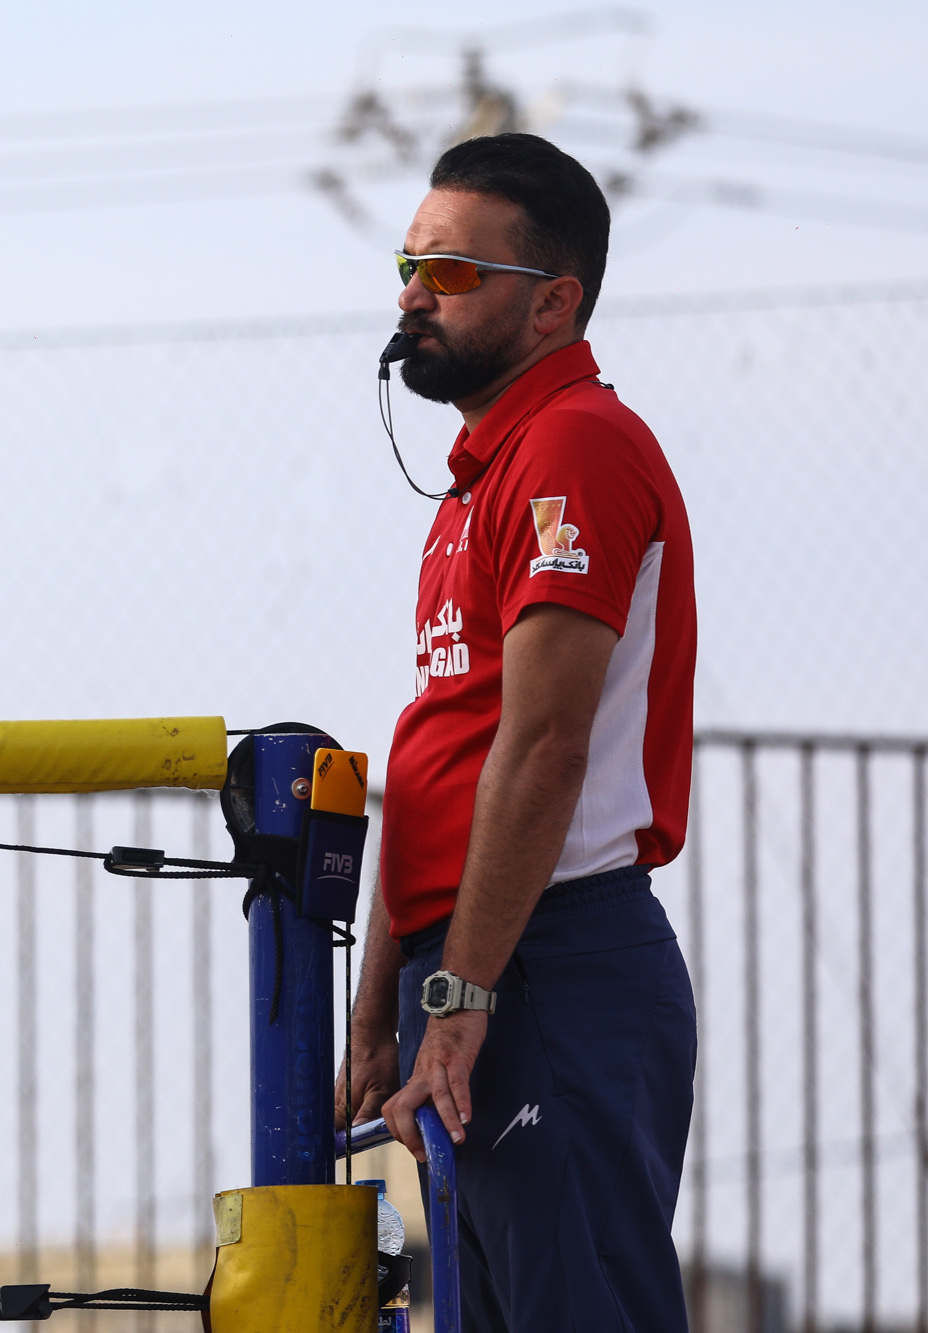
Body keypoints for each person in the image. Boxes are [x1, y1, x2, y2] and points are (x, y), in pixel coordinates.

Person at [336, 133, 698, 1332]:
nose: (411, 296)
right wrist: (381, 1003)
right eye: (408, 265)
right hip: (478, 967)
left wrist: (459, 993)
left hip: (546, 958)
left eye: (449, 273)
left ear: (551, 302)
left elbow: (542, 748)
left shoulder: (571, 445)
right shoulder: (478, 477)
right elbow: (438, 749)